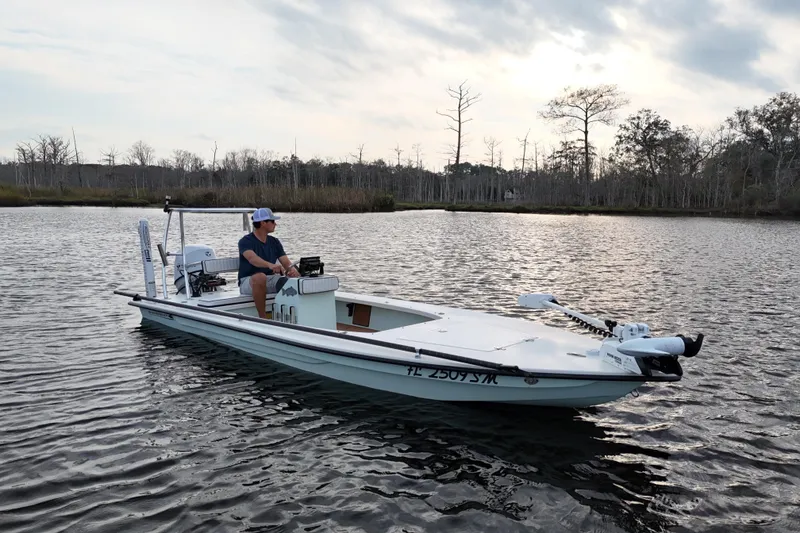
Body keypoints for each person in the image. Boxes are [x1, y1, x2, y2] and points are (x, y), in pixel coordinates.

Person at [238, 207, 299, 319]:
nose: (275, 224)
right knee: (260, 277)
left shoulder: (274, 242)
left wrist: (293, 271)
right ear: (263, 223)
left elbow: (286, 262)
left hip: (269, 279)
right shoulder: (245, 241)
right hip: (248, 282)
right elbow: (252, 259)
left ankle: (295, 316)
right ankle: (263, 318)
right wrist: (270, 265)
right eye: (272, 221)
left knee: (291, 281)